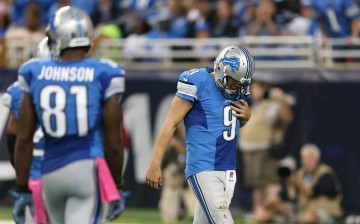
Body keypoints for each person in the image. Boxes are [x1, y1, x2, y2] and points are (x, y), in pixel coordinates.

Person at [12, 6, 125, 224]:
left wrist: (22, 187)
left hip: (48, 172)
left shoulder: (34, 71)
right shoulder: (104, 72)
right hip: (85, 168)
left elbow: (24, 139)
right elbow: (113, 141)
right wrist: (117, 184)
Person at [146, 45, 255, 224]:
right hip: (203, 168)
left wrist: (245, 119)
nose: (236, 87)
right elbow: (170, 124)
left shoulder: (239, 90)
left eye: (240, 83)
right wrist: (155, 163)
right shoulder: (197, 81)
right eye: (233, 82)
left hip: (228, 169)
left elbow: (226, 127)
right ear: (220, 69)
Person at [2, 37, 50, 224]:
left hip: (35, 175)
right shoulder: (85, 83)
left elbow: (13, 139)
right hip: (75, 167)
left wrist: (22, 177)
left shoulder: (18, 90)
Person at [238, 75, 293, 218]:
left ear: (264, 89)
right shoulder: (258, 105)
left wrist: (280, 98)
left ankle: (278, 214)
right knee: (257, 185)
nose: (252, 91)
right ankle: (259, 212)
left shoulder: (273, 104)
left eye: (255, 88)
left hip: (266, 151)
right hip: (252, 151)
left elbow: (287, 118)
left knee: (269, 184)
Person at [290, 144, 342, 224]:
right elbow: (291, 196)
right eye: (304, 159)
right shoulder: (300, 173)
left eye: (309, 159)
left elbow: (312, 192)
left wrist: (297, 182)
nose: (306, 162)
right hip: (304, 211)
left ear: (317, 159)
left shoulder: (326, 173)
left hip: (326, 212)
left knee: (308, 218)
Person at [159, 123, 196, 223]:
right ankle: (170, 216)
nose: (182, 128)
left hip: (185, 170)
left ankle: (195, 215)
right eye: (180, 126)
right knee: (171, 194)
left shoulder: (186, 137)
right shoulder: (170, 139)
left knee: (190, 193)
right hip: (172, 171)